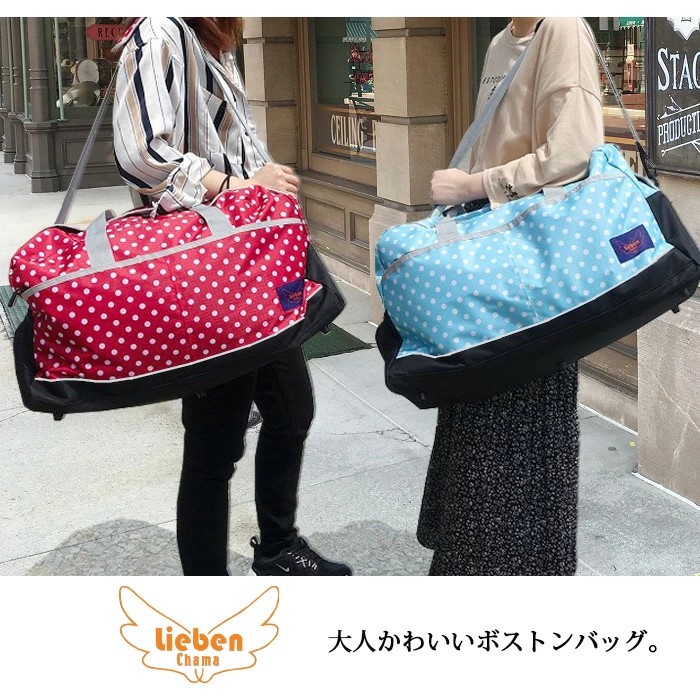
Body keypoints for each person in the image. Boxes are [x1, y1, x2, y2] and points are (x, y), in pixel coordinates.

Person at [112, 17, 351, 576]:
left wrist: (257, 177)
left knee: (291, 409)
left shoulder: (208, 40)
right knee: (214, 444)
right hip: (207, 276)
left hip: (245, 269)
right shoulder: (161, 32)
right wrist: (239, 185)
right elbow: (141, 152)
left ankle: (277, 547)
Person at [418, 17, 604, 575]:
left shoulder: (562, 28)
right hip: (488, 272)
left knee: (522, 437)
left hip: (532, 281)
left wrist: (474, 184)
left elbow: (575, 152)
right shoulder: (502, 42)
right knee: (477, 428)